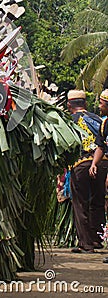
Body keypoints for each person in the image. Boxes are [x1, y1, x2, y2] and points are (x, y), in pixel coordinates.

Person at [67, 89, 107, 253]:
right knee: (98, 201)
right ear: (84, 104)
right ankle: (97, 239)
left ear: (69, 105)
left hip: (81, 163)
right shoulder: (98, 119)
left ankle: (86, 243)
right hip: (102, 162)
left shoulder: (69, 121)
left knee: (80, 203)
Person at [88, 89, 108, 262]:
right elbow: (100, 146)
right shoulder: (104, 124)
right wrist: (95, 163)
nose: (99, 106)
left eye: (101, 103)